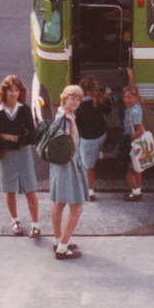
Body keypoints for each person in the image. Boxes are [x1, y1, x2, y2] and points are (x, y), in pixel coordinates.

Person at [0, 75, 40, 238]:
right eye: (10, 90)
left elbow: (32, 136)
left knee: (30, 189)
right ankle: (15, 220)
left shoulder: (24, 110)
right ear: (4, 92)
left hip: (24, 155)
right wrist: (18, 140)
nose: (13, 93)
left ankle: (35, 224)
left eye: (17, 90)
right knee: (9, 189)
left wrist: (11, 138)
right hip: (7, 156)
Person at [49, 84, 91, 260]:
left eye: (78, 98)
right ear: (64, 99)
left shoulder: (61, 115)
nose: (75, 101)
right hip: (68, 166)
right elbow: (72, 144)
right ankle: (62, 247)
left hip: (60, 165)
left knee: (59, 203)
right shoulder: (66, 119)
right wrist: (73, 122)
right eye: (72, 98)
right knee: (77, 208)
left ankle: (59, 239)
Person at [75, 75, 111, 202]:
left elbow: (76, 125)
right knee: (90, 153)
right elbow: (107, 111)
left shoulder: (78, 107)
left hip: (88, 140)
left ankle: (89, 193)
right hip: (102, 135)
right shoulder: (98, 101)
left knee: (88, 168)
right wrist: (107, 97)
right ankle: (97, 151)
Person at [118, 84, 146, 201]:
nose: (127, 100)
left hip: (132, 142)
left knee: (129, 171)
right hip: (136, 143)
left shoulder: (133, 112)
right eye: (125, 97)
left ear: (137, 98)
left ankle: (136, 194)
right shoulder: (136, 107)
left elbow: (140, 130)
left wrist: (128, 141)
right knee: (136, 168)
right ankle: (138, 190)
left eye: (130, 97)